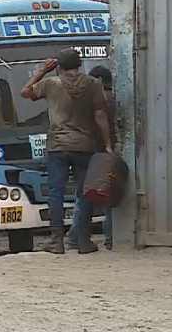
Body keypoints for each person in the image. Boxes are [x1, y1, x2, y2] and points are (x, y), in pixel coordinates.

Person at [21, 48, 112, 254]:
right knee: (85, 193)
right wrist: (107, 144)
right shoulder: (93, 84)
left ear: (59, 67)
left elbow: (25, 92)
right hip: (85, 146)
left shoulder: (51, 84)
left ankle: (57, 241)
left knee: (56, 193)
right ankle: (83, 240)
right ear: (79, 65)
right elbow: (100, 115)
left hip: (58, 147)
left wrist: (41, 71)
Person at [67, 65, 115, 250]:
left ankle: (74, 238)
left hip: (87, 152)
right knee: (108, 195)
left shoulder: (83, 101)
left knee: (85, 195)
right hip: (104, 153)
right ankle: (109, 238)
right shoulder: (108, 100)